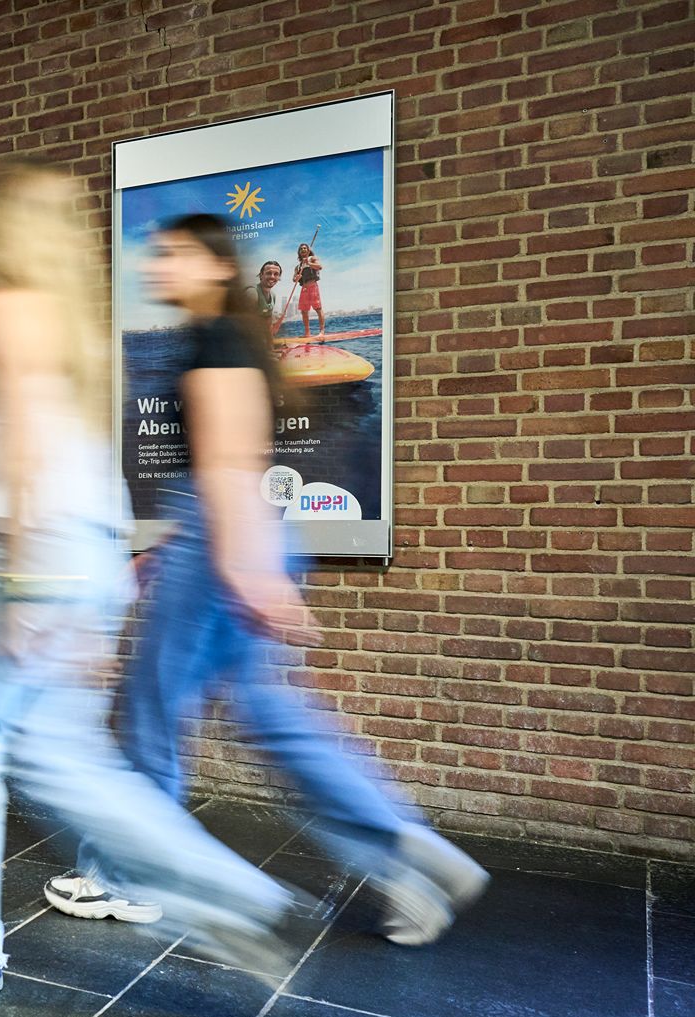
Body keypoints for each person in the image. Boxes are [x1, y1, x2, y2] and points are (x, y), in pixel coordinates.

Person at [0, 166, 298, 999]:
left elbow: (28, 437)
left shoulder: (12, 305)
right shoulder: (81, 327)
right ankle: (232, 894)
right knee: (69, 764)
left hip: (22, 552)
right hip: (88, 550)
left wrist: (31, 581)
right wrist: (88, 599)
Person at [43, 214, 487, 947]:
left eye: (177, 255)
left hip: (225, 539)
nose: (161, 267)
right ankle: (403, 851)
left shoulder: (213, 339)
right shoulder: (234, 338)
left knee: (153, 708)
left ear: (218, 266)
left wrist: (235, 567)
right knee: (274, 715)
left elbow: (226, 463)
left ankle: (124, 877)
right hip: (241, 533)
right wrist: (210, 553)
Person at [295, 242, 324, 337]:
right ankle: (307, 333)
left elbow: (319, 267)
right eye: (301, 249)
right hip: (304, 289)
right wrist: (297, 277)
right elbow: (294, 279)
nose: (303, 249)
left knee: (318, 308)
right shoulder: (298, 266)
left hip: (313, 286)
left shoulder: (313, 258)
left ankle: (322, 332)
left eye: (305, 248)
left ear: (308, 250)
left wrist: (309, 263)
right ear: (299, 252)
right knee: (304, 311)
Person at [248, 259, 284, 335]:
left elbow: (268, 323)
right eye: (268, 273)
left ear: (279, 277)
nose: (272, 277)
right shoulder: (252, 292)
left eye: (276, 274)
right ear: (261, 275)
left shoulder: (273, 296)